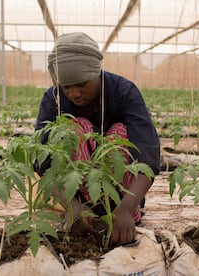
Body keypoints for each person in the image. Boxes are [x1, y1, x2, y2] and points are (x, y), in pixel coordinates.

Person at [34, 32, 160, 246]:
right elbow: (43, 163)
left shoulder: (124, 92)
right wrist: (72, 206)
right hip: (75, 196)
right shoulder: (53, 99)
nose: (73, 93)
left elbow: (148, 158)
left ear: (96, 73)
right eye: (66, 86)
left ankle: (119, 212)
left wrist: (126, 208)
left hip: (123, 196)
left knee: (120, 133)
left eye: (81, 84)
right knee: (71, 129)